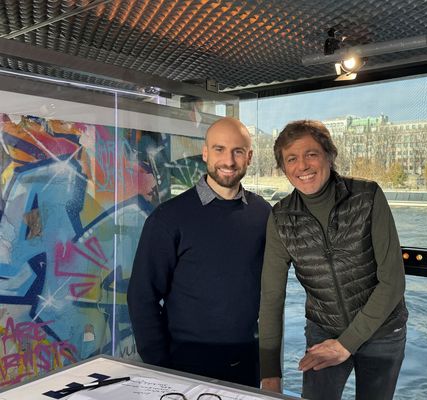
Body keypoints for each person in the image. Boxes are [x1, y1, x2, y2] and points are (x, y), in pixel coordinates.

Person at [259, 120, 408, 400]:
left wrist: (345, 344)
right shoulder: (280, 218)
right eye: (291, 159)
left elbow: (393, 282)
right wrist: (270, 373)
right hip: (323, 330)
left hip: (382, 331)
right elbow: (271, 298)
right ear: (283, 168)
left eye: (311, 154)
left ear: (329, 155)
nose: (302, 166)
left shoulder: (368, 196)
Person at [127, 117, 271, 387]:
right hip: (185, 364)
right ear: (205, 153)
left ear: (249, 156)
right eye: (219, 149)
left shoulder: (263, 214)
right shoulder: (169, 218)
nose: (228, 161)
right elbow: (141, 297)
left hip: (247, 361)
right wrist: (161, 368)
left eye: (237, 151)